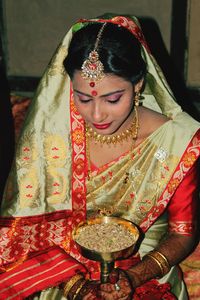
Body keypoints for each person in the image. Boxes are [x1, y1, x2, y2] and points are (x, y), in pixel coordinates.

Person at [0, 14, 199, 300]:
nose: (96, 115)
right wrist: (74, 285)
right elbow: (27, 226)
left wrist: (134, 276)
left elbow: (183, 233)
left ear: (139, 84)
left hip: (143, 266)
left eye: (113, 98)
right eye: (83, 98)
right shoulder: (53, 137)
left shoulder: (177, 140)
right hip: (65, 269)